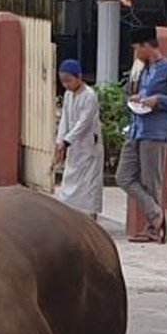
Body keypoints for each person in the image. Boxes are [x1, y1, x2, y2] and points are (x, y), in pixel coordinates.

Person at [118, 26, 167, 243]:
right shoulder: (143, 70)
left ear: (147, 46)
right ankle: (156, 213)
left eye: (138, 48)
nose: (136, 53)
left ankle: (153, 227)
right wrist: (140, 97)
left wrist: (158, 100)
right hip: (136, 127)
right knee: (124, 176)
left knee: (151, 180)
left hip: (155, 131)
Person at [54, 59, 104, 217]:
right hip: (73, 146)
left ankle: (90, 214)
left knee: (89, 182)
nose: (66, 85)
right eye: (63, 81)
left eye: (69, 80)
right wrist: (60, 140)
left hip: (88, 145)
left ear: (79, 77)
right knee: (70, 178)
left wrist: (67, 140)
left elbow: (84, 122)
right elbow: (65, 119)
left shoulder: (89, 96)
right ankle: (70, 213)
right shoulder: (68, 95)